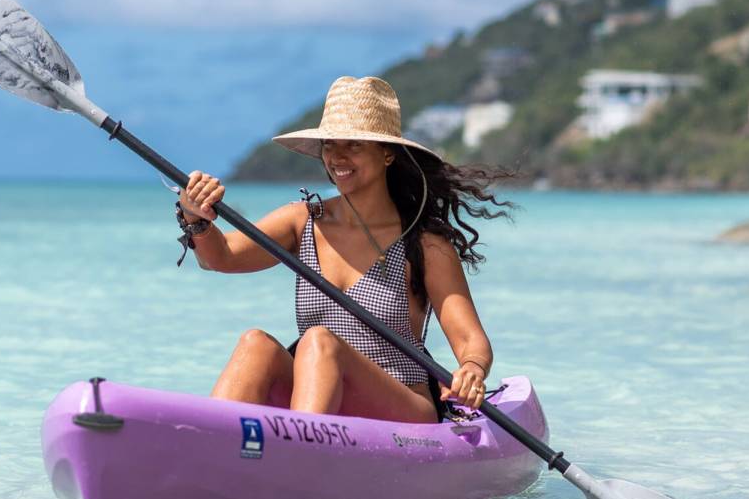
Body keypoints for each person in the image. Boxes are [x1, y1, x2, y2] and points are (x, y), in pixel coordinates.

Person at [175, 76, 513, 423]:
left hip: (403, 408)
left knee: (321, 342)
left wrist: (471, 369)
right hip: (320, 404)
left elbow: (470, 339)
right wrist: (195, 215)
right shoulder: (302, 220)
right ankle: (208, 443)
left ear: (386, 154)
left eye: (353, 145)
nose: (337, 156)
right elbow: (222, 256)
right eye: (330, 145)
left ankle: (300, 457)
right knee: (255, 344)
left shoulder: (424, 243)